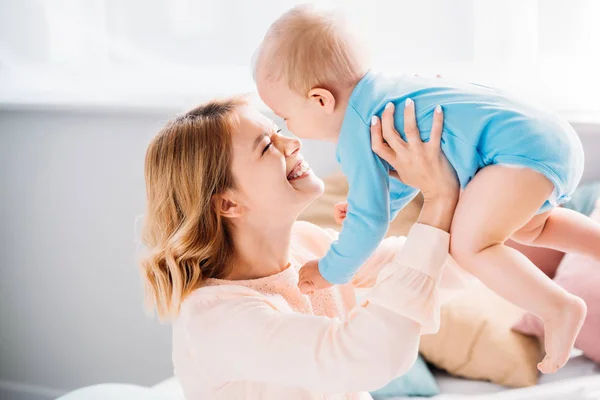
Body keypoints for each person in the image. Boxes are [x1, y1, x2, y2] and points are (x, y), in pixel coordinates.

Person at [254, 4, 597, 373]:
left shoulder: (356, 131)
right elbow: (404, 178)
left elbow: (366, 225)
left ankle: (559, 308)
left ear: (320, 100)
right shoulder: (388, 93)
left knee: (471, 245)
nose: (285, 127)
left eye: (285, 116)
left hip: (519, 154)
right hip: (547, 139)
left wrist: (329, 270)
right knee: (532, 226)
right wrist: (381, 205)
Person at [140, 97, 462, 399]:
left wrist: (491, 218)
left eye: (278, 131)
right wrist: (438, 202)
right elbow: (363, 357)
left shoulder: (308, 244)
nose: (293, 143)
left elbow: (433, 268)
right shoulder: (215, 319)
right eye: (267, 146)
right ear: (228, 202)